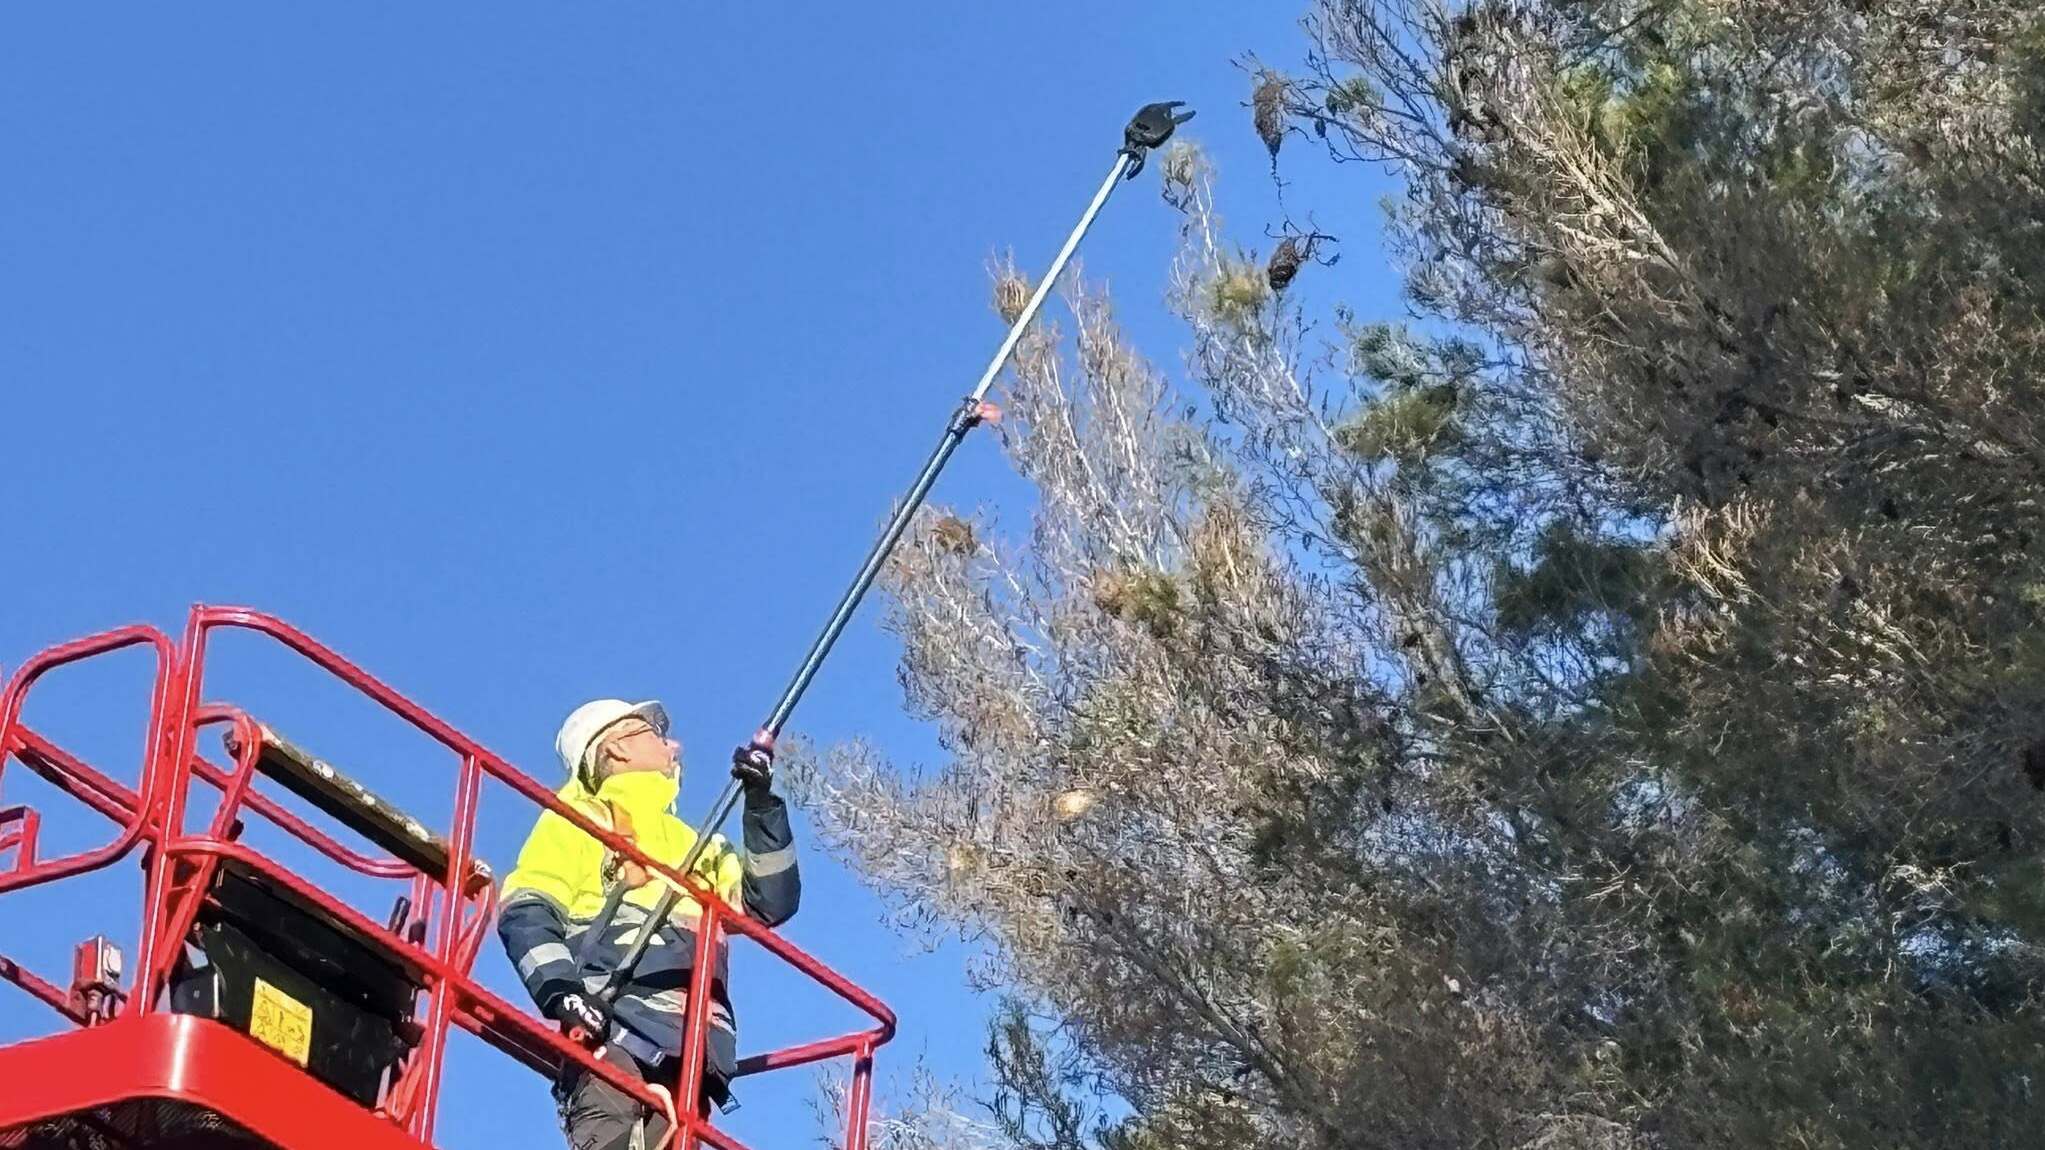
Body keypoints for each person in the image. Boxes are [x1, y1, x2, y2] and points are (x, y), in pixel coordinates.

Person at [498, 698, 800, 1150]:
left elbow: (769, 903)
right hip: (614, 1043)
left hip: (692, 1066)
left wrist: (760, 804)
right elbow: (526, 910)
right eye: (656, 734)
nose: (675, 746)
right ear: (616, 748)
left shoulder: (697, 845)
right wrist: (562, 993)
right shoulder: (580, 822)